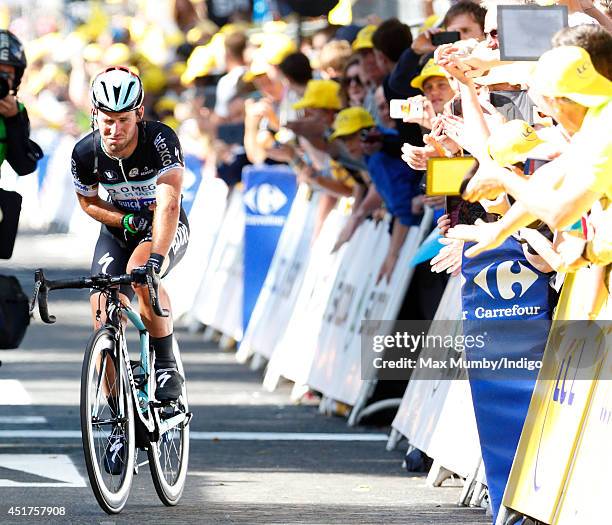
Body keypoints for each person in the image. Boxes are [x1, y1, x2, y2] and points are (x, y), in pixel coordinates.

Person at [71, 67, 189, 407]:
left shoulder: (160, 140)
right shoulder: (85, 152)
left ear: (138, 113)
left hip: (164, 225)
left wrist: (155, 258)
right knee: (101, 307)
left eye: (123, 120)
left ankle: (165, 363)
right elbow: (89, 201)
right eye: (107, 120)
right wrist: (126, 219)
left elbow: (168, 204)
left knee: (141, 274)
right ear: (95, 114)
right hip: (122, 228)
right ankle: (118, 415)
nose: (115, 130)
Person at [0, 29, 42, 177]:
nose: (2, 80)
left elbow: (24, 167)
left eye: (7, 75)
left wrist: (13, 120)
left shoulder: (15, 110)